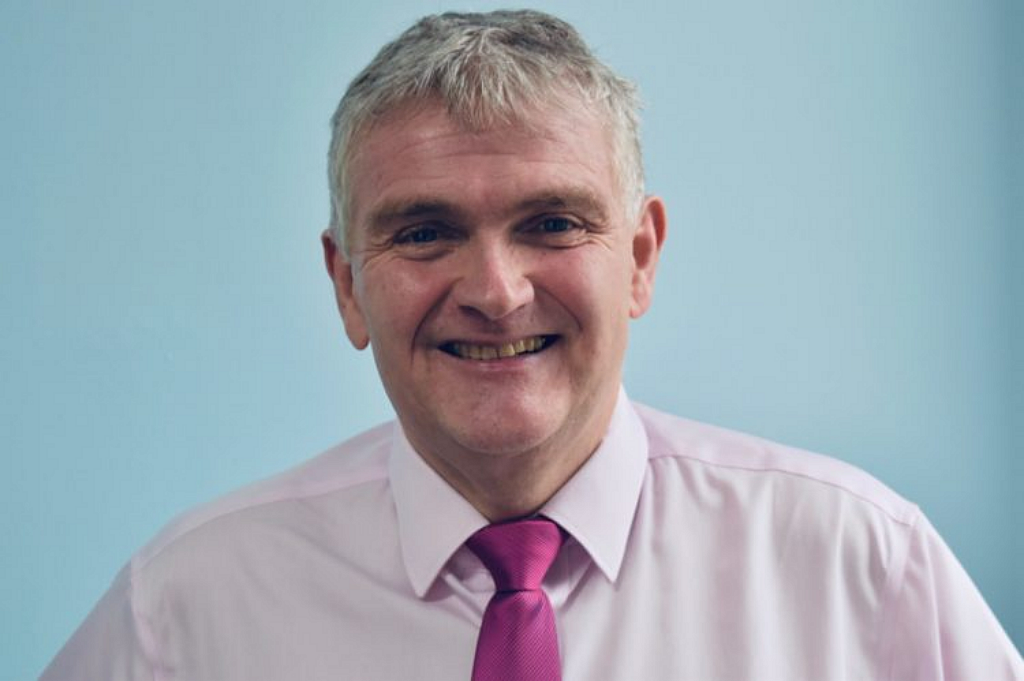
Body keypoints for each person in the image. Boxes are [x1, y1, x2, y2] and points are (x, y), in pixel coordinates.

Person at [43, 9, 1022, 680]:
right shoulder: (184, 613)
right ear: (346, 285)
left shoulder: (862, 567)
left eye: (552, 223)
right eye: (424, 232)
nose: (496, 291)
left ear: (638, 258)